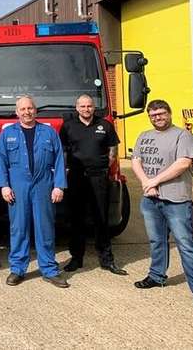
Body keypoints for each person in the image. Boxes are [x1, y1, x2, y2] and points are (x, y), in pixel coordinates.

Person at [131, 99, 193, 308]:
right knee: (156, 241)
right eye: (153, 115)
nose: (157, 117)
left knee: (186, 244)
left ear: (169, 113)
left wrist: (154, 181)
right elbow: (136, 161)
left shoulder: (181, 135)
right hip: (150, 199)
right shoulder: (144, 136)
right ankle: (157, 275)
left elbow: (183, 163)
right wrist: (146, 184)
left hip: (176, 200)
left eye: (161, 113)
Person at [0, 95, 68, 288]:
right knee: (18, 228)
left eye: (30, 108)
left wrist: (59, 185)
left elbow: (60, 158)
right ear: (17, 112)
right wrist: (4, 185)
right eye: (23, 109)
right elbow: (1, 161)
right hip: (18, 186)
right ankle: (17, 269)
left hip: (43, 184)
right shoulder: (7, 133)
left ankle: (49, 270)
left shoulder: (49, 133)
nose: (27, 112)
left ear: (35, 110)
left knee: (45, 228)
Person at [60, 94, 127, 275]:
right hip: (76, 177)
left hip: (99, 177)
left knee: (101, 218)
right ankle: (76, 259)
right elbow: (63, 152)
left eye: (89, 106)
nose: (86, 109)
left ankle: (107, 260)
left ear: (93, 107)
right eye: (82, 106)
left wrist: (106, 167)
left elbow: (113, 149)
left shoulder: (105, 125)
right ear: (77, 108)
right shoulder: (68, 127)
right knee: (76, 219)